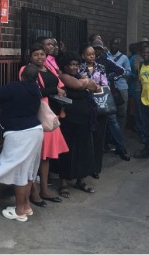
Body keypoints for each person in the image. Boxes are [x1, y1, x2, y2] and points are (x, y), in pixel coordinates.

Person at [0, 64, 44, 222]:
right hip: (36, 131)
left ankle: (20, 210)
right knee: (28, 171)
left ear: (22, 76)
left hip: (19, 133)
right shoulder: (36, 90)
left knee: (20, 172)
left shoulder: (16, 87)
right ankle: (26, 206)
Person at [20, 42, 68, 206]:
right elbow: (33, 91)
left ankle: (44, 190)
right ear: (30, 57)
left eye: (42, 54)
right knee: (34, 156)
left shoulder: (50, 68)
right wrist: (55, 90)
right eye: (36, 54)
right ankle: (33, 192)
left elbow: (60, 85)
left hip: (51, 117)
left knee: (45, 155)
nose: (40, 57)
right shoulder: (25, 70)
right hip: (38, 117)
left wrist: (61, 92)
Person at [56, 52, 99, 198]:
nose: (74, 67)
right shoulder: (63, 78)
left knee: (84, 150)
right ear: (65, 66)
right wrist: (86, 83)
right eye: (71, 65)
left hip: (84, 119)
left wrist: (86, 83)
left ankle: (81, 180)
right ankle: (63, 183)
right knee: (67, 151)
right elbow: (80, 85)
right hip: (69, 120)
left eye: (76, 65)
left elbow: (96, 87)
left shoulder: (79, 76)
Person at [83, 40, 127, 166]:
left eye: (98, 49)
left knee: (112, 121)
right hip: (89, 97)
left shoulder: (105, 61)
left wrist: (110, 78)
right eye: (94, 49)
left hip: (104, 96)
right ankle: (94, 154)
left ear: (102, 50)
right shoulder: (83, 64)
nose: (96, 52)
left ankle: (121, 148)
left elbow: (122, 71)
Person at [108, 37, 132, 145]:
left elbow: (128, 73)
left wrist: (118, 74)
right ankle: (111, 138)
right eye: (112, 43)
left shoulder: (124, 58)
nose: (114, 46)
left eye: (116, 44)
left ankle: (120, 138)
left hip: (121, 88)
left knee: (122, 113)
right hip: (109, 88)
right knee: (110, 114)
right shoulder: (106, 56)